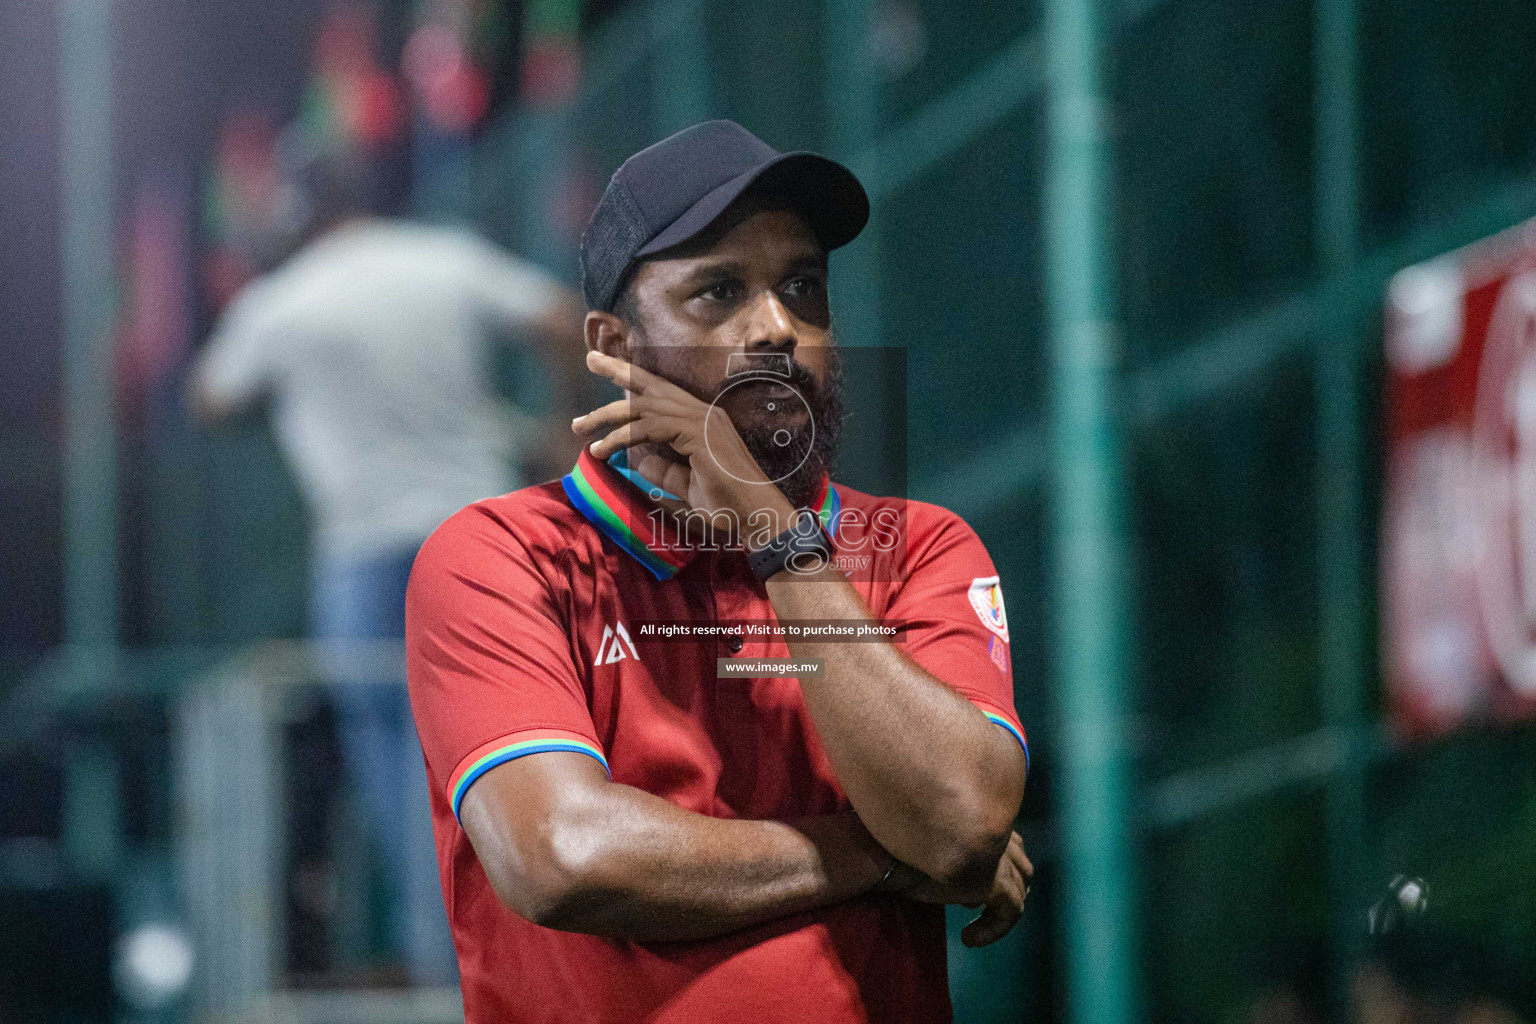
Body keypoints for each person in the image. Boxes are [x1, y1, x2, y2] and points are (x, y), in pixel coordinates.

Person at [406, 120, 1032, 1022]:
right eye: (719, 292)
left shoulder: (918, 546)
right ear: (613, 346)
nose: (778, 326)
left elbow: (962, 823)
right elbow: (564, 855)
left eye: (803, 287)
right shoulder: (502, 555)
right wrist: (876, 857)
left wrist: (766, 520)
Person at [189, 148, 587, 987]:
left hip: (366, 556)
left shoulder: (282, 300)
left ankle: (454, 979)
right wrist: (564, 436)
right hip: (482, 536)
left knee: (399, 769)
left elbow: (210, 396)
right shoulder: (438, 255)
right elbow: (561, 318)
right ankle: (529, 969)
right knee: (506, 747)